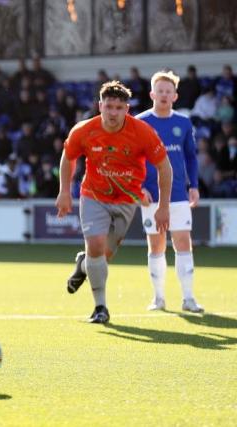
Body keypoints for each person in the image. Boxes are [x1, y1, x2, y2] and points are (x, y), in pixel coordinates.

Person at [57, 81, 172, 324]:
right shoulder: (84, 130)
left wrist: (163, 206)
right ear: (100, 106)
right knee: (96, 247)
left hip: (127, 200)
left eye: (119, 107)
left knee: (102, 256)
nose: (113, 112)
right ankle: (101, 308)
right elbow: (68, 158)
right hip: (93, 196)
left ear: (127, 109)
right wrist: (64, 192)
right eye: (108, 106)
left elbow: (164, 167)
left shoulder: (142, 132)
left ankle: (83, 264)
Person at [137, 71, 204, 313]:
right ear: (152, 94)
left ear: (175, 96)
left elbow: (191, 157)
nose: (164, 95)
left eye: (169, 91)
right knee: (155, 246)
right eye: (160, 91)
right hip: (150, 195)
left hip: (177, 195)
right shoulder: (140, 122)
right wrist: (138, 187)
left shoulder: (184, 123)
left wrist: (193, 185)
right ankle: (159, 299)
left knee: (183, 243)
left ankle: (188, 298)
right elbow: (132, 158)